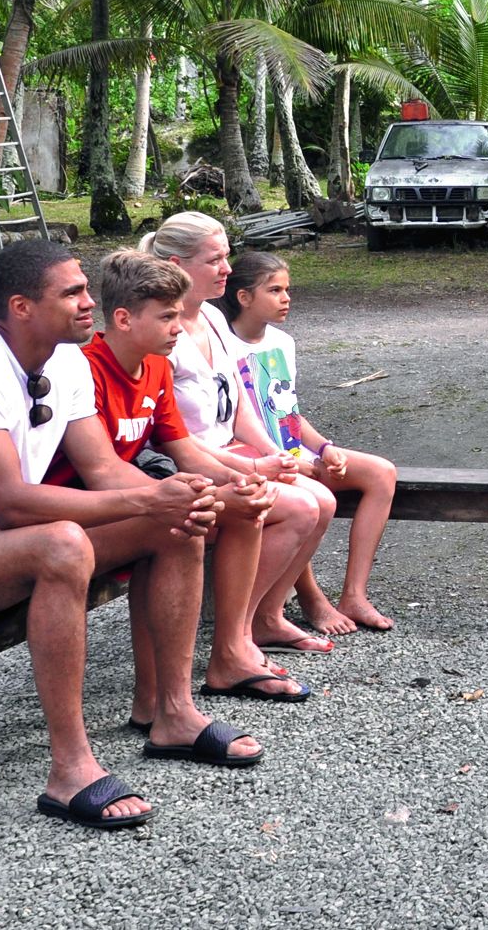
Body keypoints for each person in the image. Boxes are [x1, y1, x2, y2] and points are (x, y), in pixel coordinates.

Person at [0, 240, 236, 829]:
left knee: (176, 523)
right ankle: (70, 769)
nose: (89, 303)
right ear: (22, 307)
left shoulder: (66, 362)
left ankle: (174, 714)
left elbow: (104, 469)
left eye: (85, 289)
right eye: (73, 293)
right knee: (62, 543)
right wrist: (147, 496)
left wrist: (176, 493)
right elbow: (10, 504)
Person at [43, 249, 289, 727]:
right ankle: (155, 698)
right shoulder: (87, 369)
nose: (179, 328)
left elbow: (185, 450)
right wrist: (200, 496)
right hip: (84, 509)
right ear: (123, 319)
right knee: (182, 525)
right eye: (167, 317)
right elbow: (103, 473)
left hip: (129, 499)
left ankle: (231, 650)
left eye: (179, 315)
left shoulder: (156, 364)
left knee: (246, 507)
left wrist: (242, 479)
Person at [142, 212, 336, 681]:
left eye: (227, 257)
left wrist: (275, 454)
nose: (227, 269)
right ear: (177, 266)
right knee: (299, 507)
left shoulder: (212, 316)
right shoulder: (162, 331)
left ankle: (265, 616)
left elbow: (241, 403)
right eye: (216, 259)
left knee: (324, 500)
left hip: (229, 450)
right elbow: (170, 436)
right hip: (190, 463)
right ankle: (236, 636)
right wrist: (247, 468)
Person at [219, 251, 401, 632]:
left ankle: (354, 595)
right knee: (309, 500)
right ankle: (310, 598)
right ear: (244, 297)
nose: (286, 298)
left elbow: (289, 413)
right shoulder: (223, 346)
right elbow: (230, 425)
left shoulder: (282, 342)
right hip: (254, 461)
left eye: (287, 289)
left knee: (381, 473)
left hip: (292, 452)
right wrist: (289, 462)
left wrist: (324, 448)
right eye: (275, 290)